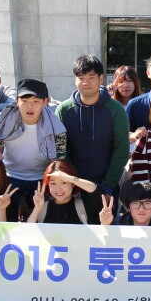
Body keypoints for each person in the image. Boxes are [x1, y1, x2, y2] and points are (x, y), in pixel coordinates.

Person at [55, 55, 130, 197]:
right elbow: (60, 150)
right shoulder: (63, 110)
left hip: (106, 187)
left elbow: (121, 150)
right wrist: (71, 182)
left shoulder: (116, 110)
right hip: (72, 188)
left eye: (91, 77)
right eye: (81, 78)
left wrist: (107, 186)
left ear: (101, 79)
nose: (86, 82)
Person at [0, 79, 68, 212]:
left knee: (44, 215)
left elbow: (57, 162)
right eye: (24, 101)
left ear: (45, 101)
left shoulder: (56, 126)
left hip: (41, 176)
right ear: (16, 101)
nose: (29, 106)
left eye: (36, 101)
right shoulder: (2, 120)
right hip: (10, 174)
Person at [27, 160, 101, 224]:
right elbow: (29, 231)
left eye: (64, 182)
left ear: (72, 184)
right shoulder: (42, 208)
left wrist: (70, 178)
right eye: (53, 183)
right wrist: (37, 209)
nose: (58, 189)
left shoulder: (84, 205)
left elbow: (96, 190)